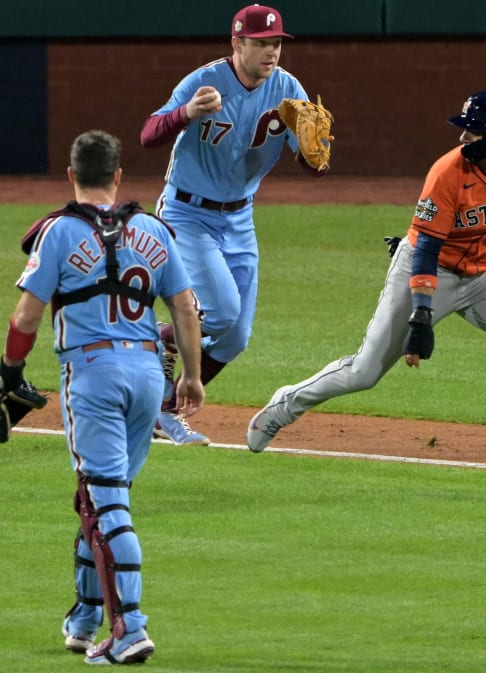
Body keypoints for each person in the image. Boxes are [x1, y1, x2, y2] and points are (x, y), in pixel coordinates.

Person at [246, 90, 486, 495]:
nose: (462, 140)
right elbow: (425, 247)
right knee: (365, 371)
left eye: (472, 133)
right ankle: (286, 405)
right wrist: (421, 316)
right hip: (427, 266)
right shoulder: (448, 171)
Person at [0, 130, 205, 665]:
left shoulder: (59, 232)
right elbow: (184, 308)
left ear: (71, 175)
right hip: (146, 376)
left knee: (107, 501)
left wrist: (7, 372)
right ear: (117, 176)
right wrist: (193, 379)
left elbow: (26, 317)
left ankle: (130, 628)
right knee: (100, 497)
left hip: (93, 375)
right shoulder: (153, 228)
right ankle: (85, 619)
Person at [139, 3, 329, 446]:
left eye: (277, 43)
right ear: (237, 43)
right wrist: (184, 113)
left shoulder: (287, 88)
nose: (272, 52)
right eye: (261, 43)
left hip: (239, 217)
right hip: (186, 213)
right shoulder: (204, 81)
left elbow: (312, 164)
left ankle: (162, 410)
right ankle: (150, 344)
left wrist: (311, 155)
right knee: (220, 312)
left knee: (235, 337)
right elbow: (148, 135)